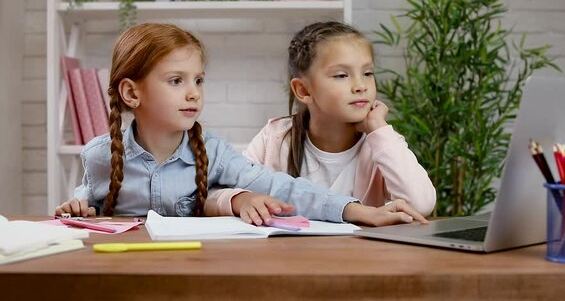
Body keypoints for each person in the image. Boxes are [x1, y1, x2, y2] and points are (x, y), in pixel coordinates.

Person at [54, 22, 426, 227]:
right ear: (132, 94)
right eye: (176, 81)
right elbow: (92, 196)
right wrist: (79, 205)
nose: (193, 93)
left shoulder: (213, 153)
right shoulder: (99, 154)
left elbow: (282, 187)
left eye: (198, 80)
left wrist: (358, 210)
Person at [207, 21, 436, 221]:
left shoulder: (380, 143)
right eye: (341, 75)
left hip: (361, 262)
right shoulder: (275, 137)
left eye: (367, 73)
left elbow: (421, 204)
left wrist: (380, 130)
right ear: (303, 89)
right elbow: (212, 194)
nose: (361, 86)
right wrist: (242, 199)